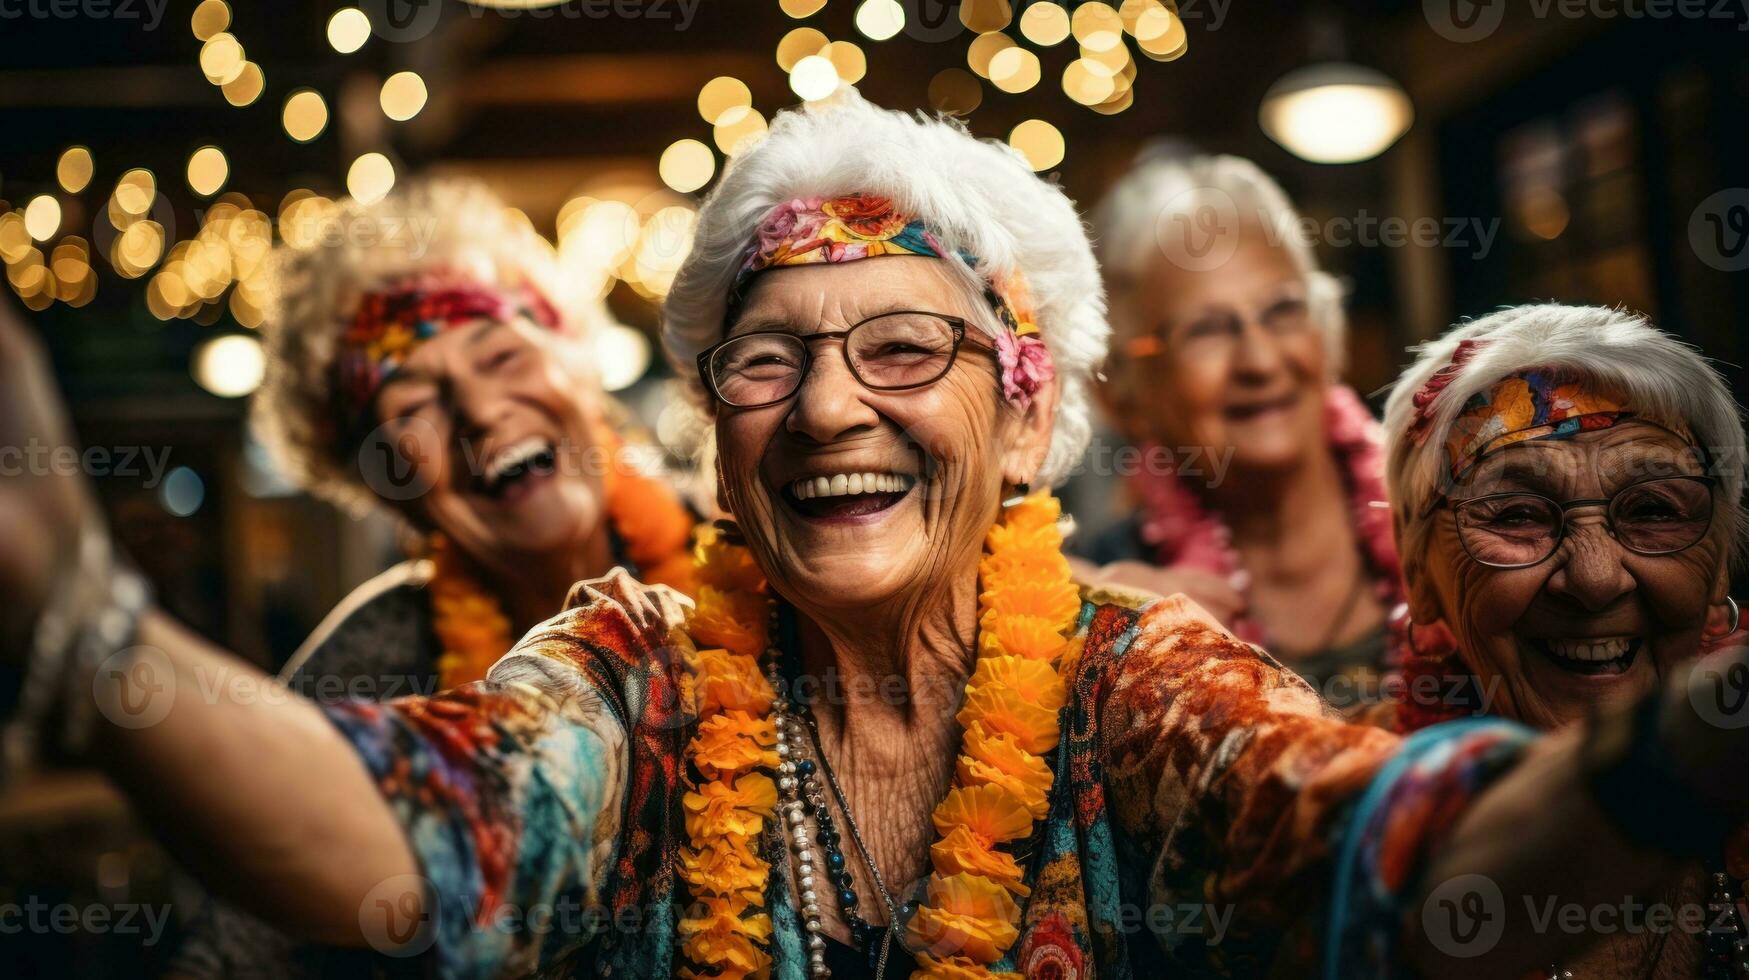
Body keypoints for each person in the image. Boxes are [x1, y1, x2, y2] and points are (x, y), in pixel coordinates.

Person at [4, 92, 1749, 980]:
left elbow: (1383, 849)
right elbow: (414, 845)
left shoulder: (1133, 675)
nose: (830, 409)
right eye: (767, 359)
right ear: (716, 433)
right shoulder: (633, 670)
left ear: (1019, 424)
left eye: (903, 347)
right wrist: (83, 622)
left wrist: (1687, 749)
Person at [169, 180, 698, 978]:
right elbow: (232, 950)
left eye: (503, 355)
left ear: (578, 374)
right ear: (385, 488)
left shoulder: (762, 562)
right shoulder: (366, 666)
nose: (482, 411)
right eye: (412, 405)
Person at [1345, 303, 1749, 977]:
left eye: (1652, 510)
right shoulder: (1348, 820)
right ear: (1417, 570)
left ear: (1719, 564)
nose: (1594, 580)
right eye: (1518, 515)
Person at [1078, 153, 1399, 699]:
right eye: (1206, 329)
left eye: (1282, 311)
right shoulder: (1109, 607)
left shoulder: (1452, 517)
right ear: (1122, 390)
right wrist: (1089, 604)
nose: (1261, 361)